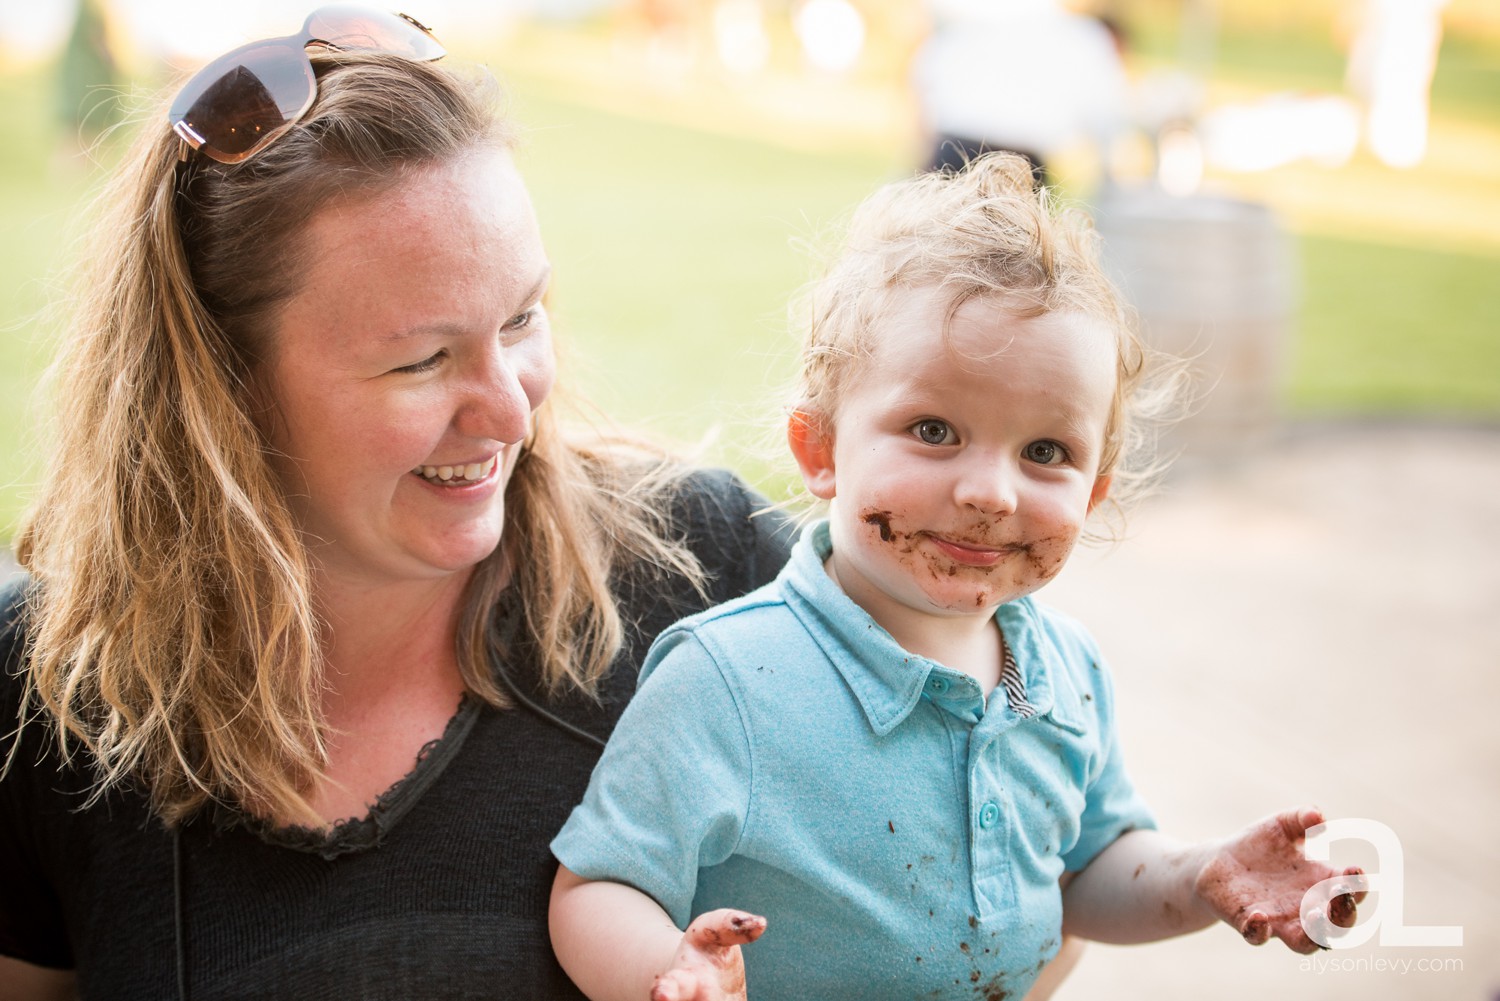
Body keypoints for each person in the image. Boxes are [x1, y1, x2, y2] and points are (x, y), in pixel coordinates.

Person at [0, 7, 794, 999]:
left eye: (521, 317)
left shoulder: (710, 570)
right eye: (423, 360)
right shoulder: (47, 694)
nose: (510, 409)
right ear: (222, 386)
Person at [548, 153, 1365, 1000]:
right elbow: (598, 886)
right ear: (820, 448)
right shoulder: (728, 682)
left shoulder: (1067, 678)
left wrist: (1203, 877)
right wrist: (669, 971)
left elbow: (1089, 873)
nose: (989, 491)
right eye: (934, 429)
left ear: (1095, 489)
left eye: (1046, 451)